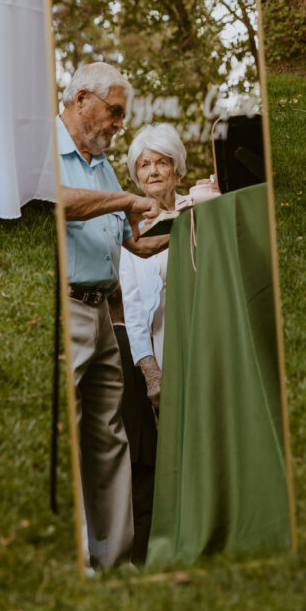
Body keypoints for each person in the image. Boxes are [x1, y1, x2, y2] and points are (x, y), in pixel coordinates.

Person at [57, 63, 168, 573]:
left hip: (103, 316)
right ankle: (78, 559)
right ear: (82, 99)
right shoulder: (47, 147)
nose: (119, 123)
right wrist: (126, 197)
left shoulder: (99, 162)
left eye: (122, 115)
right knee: (75, 435)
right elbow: (58, 201)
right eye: (114, 111)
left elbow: (133, 242)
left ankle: (116, 562)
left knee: (108, 438)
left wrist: (188, 226)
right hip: (69, 308)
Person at [115, 124, 188, 556]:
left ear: (177, 170)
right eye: (145, 165)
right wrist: (150, 369)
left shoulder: (199, 214)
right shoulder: (130, 231)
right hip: (161, 346)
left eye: (162, 162)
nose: (154, 171)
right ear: (137, 178)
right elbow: (136, 308)